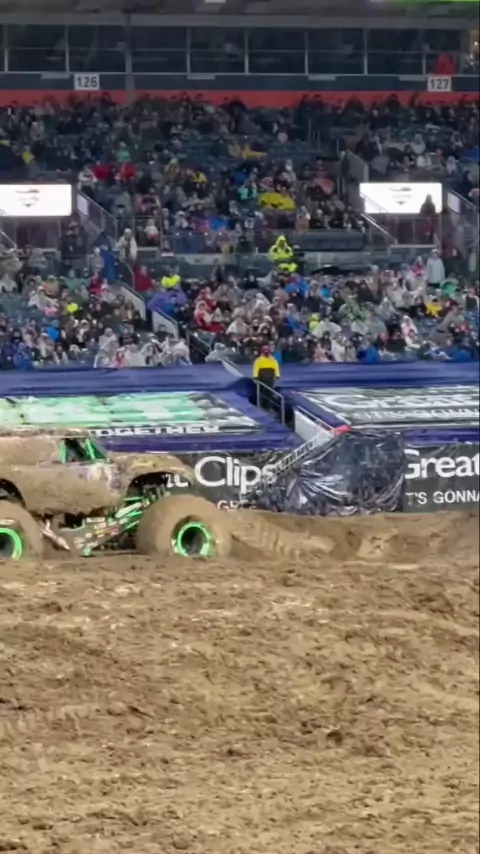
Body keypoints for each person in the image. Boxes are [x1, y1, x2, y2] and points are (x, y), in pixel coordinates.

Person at [252, 344, 281, 409]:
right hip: (262, 375)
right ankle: (261, 405)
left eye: (267, 350)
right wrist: (255, 376)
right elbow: (256, 368)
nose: (266, 352)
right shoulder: (259, 360)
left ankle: (268, 406)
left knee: (269, 391)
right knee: (262, 390)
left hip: (270, 375)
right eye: (265, 350)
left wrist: (277, 375)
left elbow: (276, 367)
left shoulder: (273, 359)